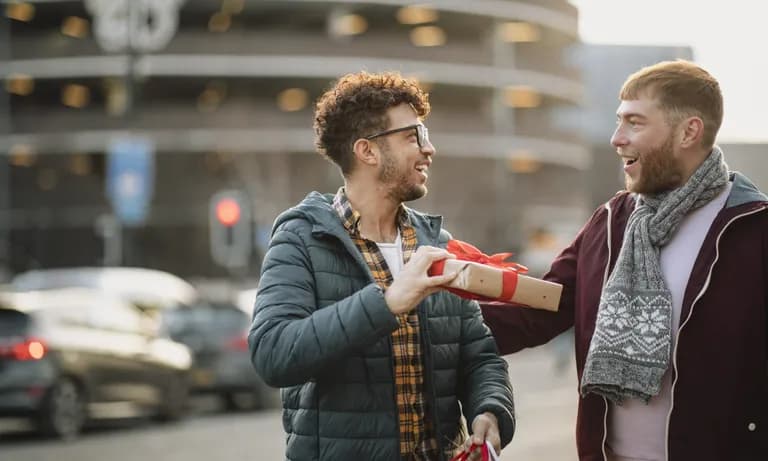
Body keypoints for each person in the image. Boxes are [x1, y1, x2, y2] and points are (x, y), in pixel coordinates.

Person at [481, 60, 768, 461]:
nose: (617, 139)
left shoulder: (752, 229)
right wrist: (427, 319)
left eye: (635, 122)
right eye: (619, 122)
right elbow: (542, 309)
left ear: (689, 131)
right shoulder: (612, 222)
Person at [249, 71, 515, 461]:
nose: (430, 149)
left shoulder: (436, 244)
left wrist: (489, 412)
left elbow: (479, 356)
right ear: (368, 151)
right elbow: (273, 355)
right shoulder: (301, 239)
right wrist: (387, 302)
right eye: (413, 136)